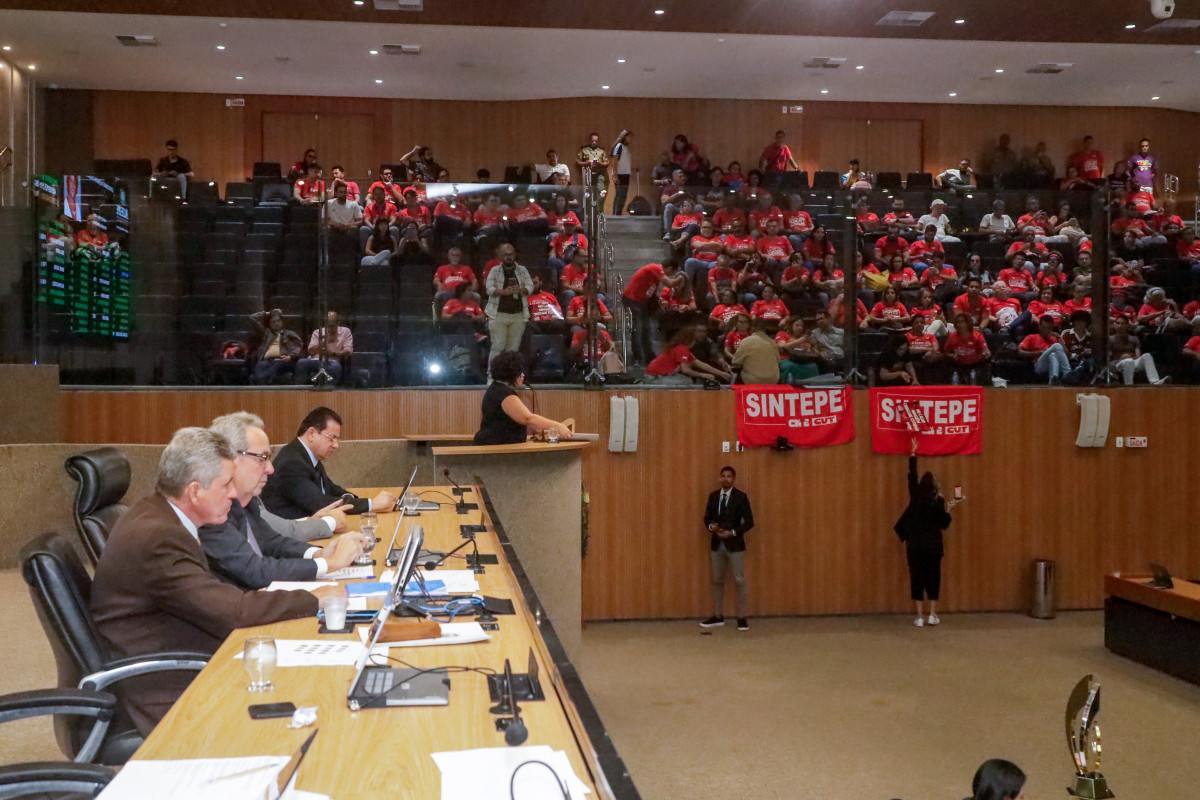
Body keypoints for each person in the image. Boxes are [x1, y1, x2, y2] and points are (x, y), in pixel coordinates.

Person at [90, 427, 328, 734]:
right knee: (307, 700)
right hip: (162, 689)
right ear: (194, 491)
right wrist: (317, 599)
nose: (233, 493)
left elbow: (216, 597)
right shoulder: (159, 538)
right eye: (225, 484)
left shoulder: (158, 515)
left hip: (187, 652)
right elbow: (234, 611)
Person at [201, 413, 363, 589]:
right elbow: (255, 570)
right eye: (262, 458)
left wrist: (319, 554)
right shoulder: (212, 511)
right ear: (230, 459)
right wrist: (330, 563)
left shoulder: (246, 501)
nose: (270, 469)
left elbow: (272, 542)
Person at [261, 406, 396, 519]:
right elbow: (322, 505)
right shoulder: (292, 463)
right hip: (290, 534)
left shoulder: (306, 454)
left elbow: (330, 488)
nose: (336, 445)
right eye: (332, 438)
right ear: (311, 434)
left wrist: (350, 497)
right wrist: (372, 504)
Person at [895, 439, 959, 628]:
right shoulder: (939, 501)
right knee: (933, 578)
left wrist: (913, 454)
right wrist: (949, 509)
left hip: (914, 546)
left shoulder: (915, 496)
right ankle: (932, 614)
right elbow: (944, 524)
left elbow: (911, 476)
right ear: (935, 486)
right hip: (933, 546)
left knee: (916, 578)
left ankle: (919, 617)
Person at [473, 351, 573, 445]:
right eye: (520, 372)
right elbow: (528, 418)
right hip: (497, 449)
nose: (523, 375)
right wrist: (558, 426)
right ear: (511, 373)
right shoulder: (504, 394)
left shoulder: (496, 389)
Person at [699, 466, 754, 632]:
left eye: (729, 476)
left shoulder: (741, 497)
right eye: (723, 476)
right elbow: (707, 518)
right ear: (719, 478)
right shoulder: (713, 496)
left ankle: (742, 617)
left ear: (733, 479)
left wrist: (733, 532)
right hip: (717, 544)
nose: (725, 479)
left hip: (735, 545)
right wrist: (712, 527)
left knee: (739, 580)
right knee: (717, 580)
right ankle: (718, 616)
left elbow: (749, 522)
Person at [484, 243, 534, 371]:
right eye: (505, 255)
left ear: (515, 255)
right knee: (498, 347)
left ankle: (509, 377)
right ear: (500, 256)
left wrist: (521, 290)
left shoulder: (522, 270)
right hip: (498, 314)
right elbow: (489, 289)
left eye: (511, 254)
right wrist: (503, 292)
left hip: (518, 314)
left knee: (513, 350)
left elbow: (530, 286)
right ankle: (492, 376)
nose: (508, 257)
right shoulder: (495, 270)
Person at [645, 327, 731, 385]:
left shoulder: (682, 349)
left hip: (660, 376)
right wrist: (703, 375)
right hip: (655, 377)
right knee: (687, 381)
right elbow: (686, 370)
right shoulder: (682, 349)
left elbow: (701, 364)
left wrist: (721, 374)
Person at [295, 311, 354, 386]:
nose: (329, 328)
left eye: (332, 326)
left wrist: (333, 353)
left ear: (338, 323)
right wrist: (323, 342)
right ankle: (300, 389)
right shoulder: (318, 332)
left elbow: (348, 351)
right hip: (316, 360)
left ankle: (328, 390)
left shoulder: (345, 331)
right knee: (301, 362)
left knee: (335, 367)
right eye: (327, 325)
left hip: (333, 361)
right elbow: (311, 350)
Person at [1109, 316, 1167, 385]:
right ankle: (1129, 385)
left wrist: (1130, 356)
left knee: (1147, 355)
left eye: (1123, 323)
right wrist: (1121, 358)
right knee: (1128, 361)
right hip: (1117, 363)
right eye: (1118, 323)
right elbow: (1108, 358)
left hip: (1132, 361)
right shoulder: (1110, 339)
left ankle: (1155, 382)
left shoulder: (1134, 339)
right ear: (1114, 325)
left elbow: (1138, 356)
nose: (1120, 326)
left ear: (1127, 326)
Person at [249, 308, 302, 384]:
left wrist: (291, 357)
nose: (276, 323)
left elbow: (298, 347)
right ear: (270, 324)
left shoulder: (290, 334)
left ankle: (264, 382)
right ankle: (262, 383)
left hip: (283, 360)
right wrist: (268, 313)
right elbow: (252, 318)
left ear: (282, 322)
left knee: (276, 366)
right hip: (267, 361)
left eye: (278, 321)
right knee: (260, 365)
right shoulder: (267, 333)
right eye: (273, 322)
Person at [1020, 315, 1071, 384]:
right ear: (1039, 327)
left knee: (1052, 354)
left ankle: (1053, 378)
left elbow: (1068, 355)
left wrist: (1060, 339)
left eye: (1049, 328)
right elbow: (1020, 351)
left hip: (1057, 365)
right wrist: (1037, 353)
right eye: (1044, 328)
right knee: (1056, 346)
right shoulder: (1031, 337)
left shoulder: (1055, 338)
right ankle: (1068, 374)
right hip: (1039, 365)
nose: (1047, 330)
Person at [731, 317, 780, 385]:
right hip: (773, 380)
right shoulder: (772, 342)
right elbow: (778, 360)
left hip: (752, 381)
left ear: (752, 328)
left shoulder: (746, 341)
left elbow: (735, 362)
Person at [610, 130, 633, 214]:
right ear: (624, 137)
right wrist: (615, 174)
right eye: (629, 137)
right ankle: (615, 215)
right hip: (620, 174)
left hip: (626, 174)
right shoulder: (619, 146)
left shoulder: (626, 148)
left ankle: (619, 213)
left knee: (624, 196)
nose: (630, 139)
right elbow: (615, 160)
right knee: (619, 195)